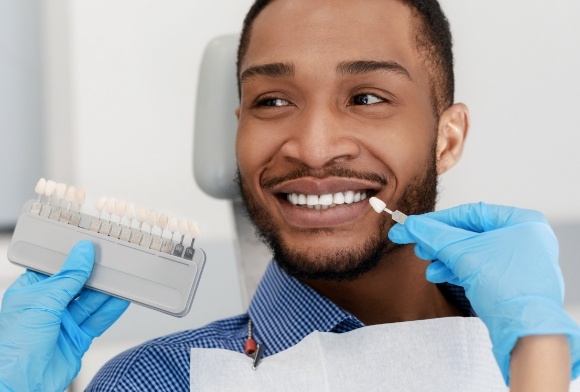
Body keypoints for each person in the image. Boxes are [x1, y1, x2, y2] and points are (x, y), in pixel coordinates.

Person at [1, 0, 579, 390]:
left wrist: (540, 354)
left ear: (447, 137)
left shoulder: (553, 356)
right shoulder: (161, 380)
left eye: (367, 98)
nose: (313, 147)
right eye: (273, 101)